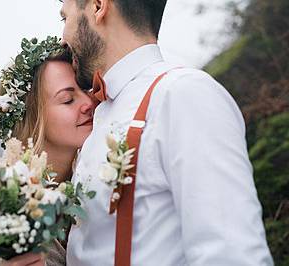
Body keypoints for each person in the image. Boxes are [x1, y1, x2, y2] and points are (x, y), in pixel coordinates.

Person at [59, 0, 274, 265]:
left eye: (64, 19)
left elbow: (231, 253)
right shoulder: (98, 114)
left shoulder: (183, 94)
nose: (62, 38)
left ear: (98, 6)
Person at [0, 48, 95, 266]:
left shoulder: (94, 183)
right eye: (68, 99)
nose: (89, 103)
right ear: (32, 118)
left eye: (87, 90)